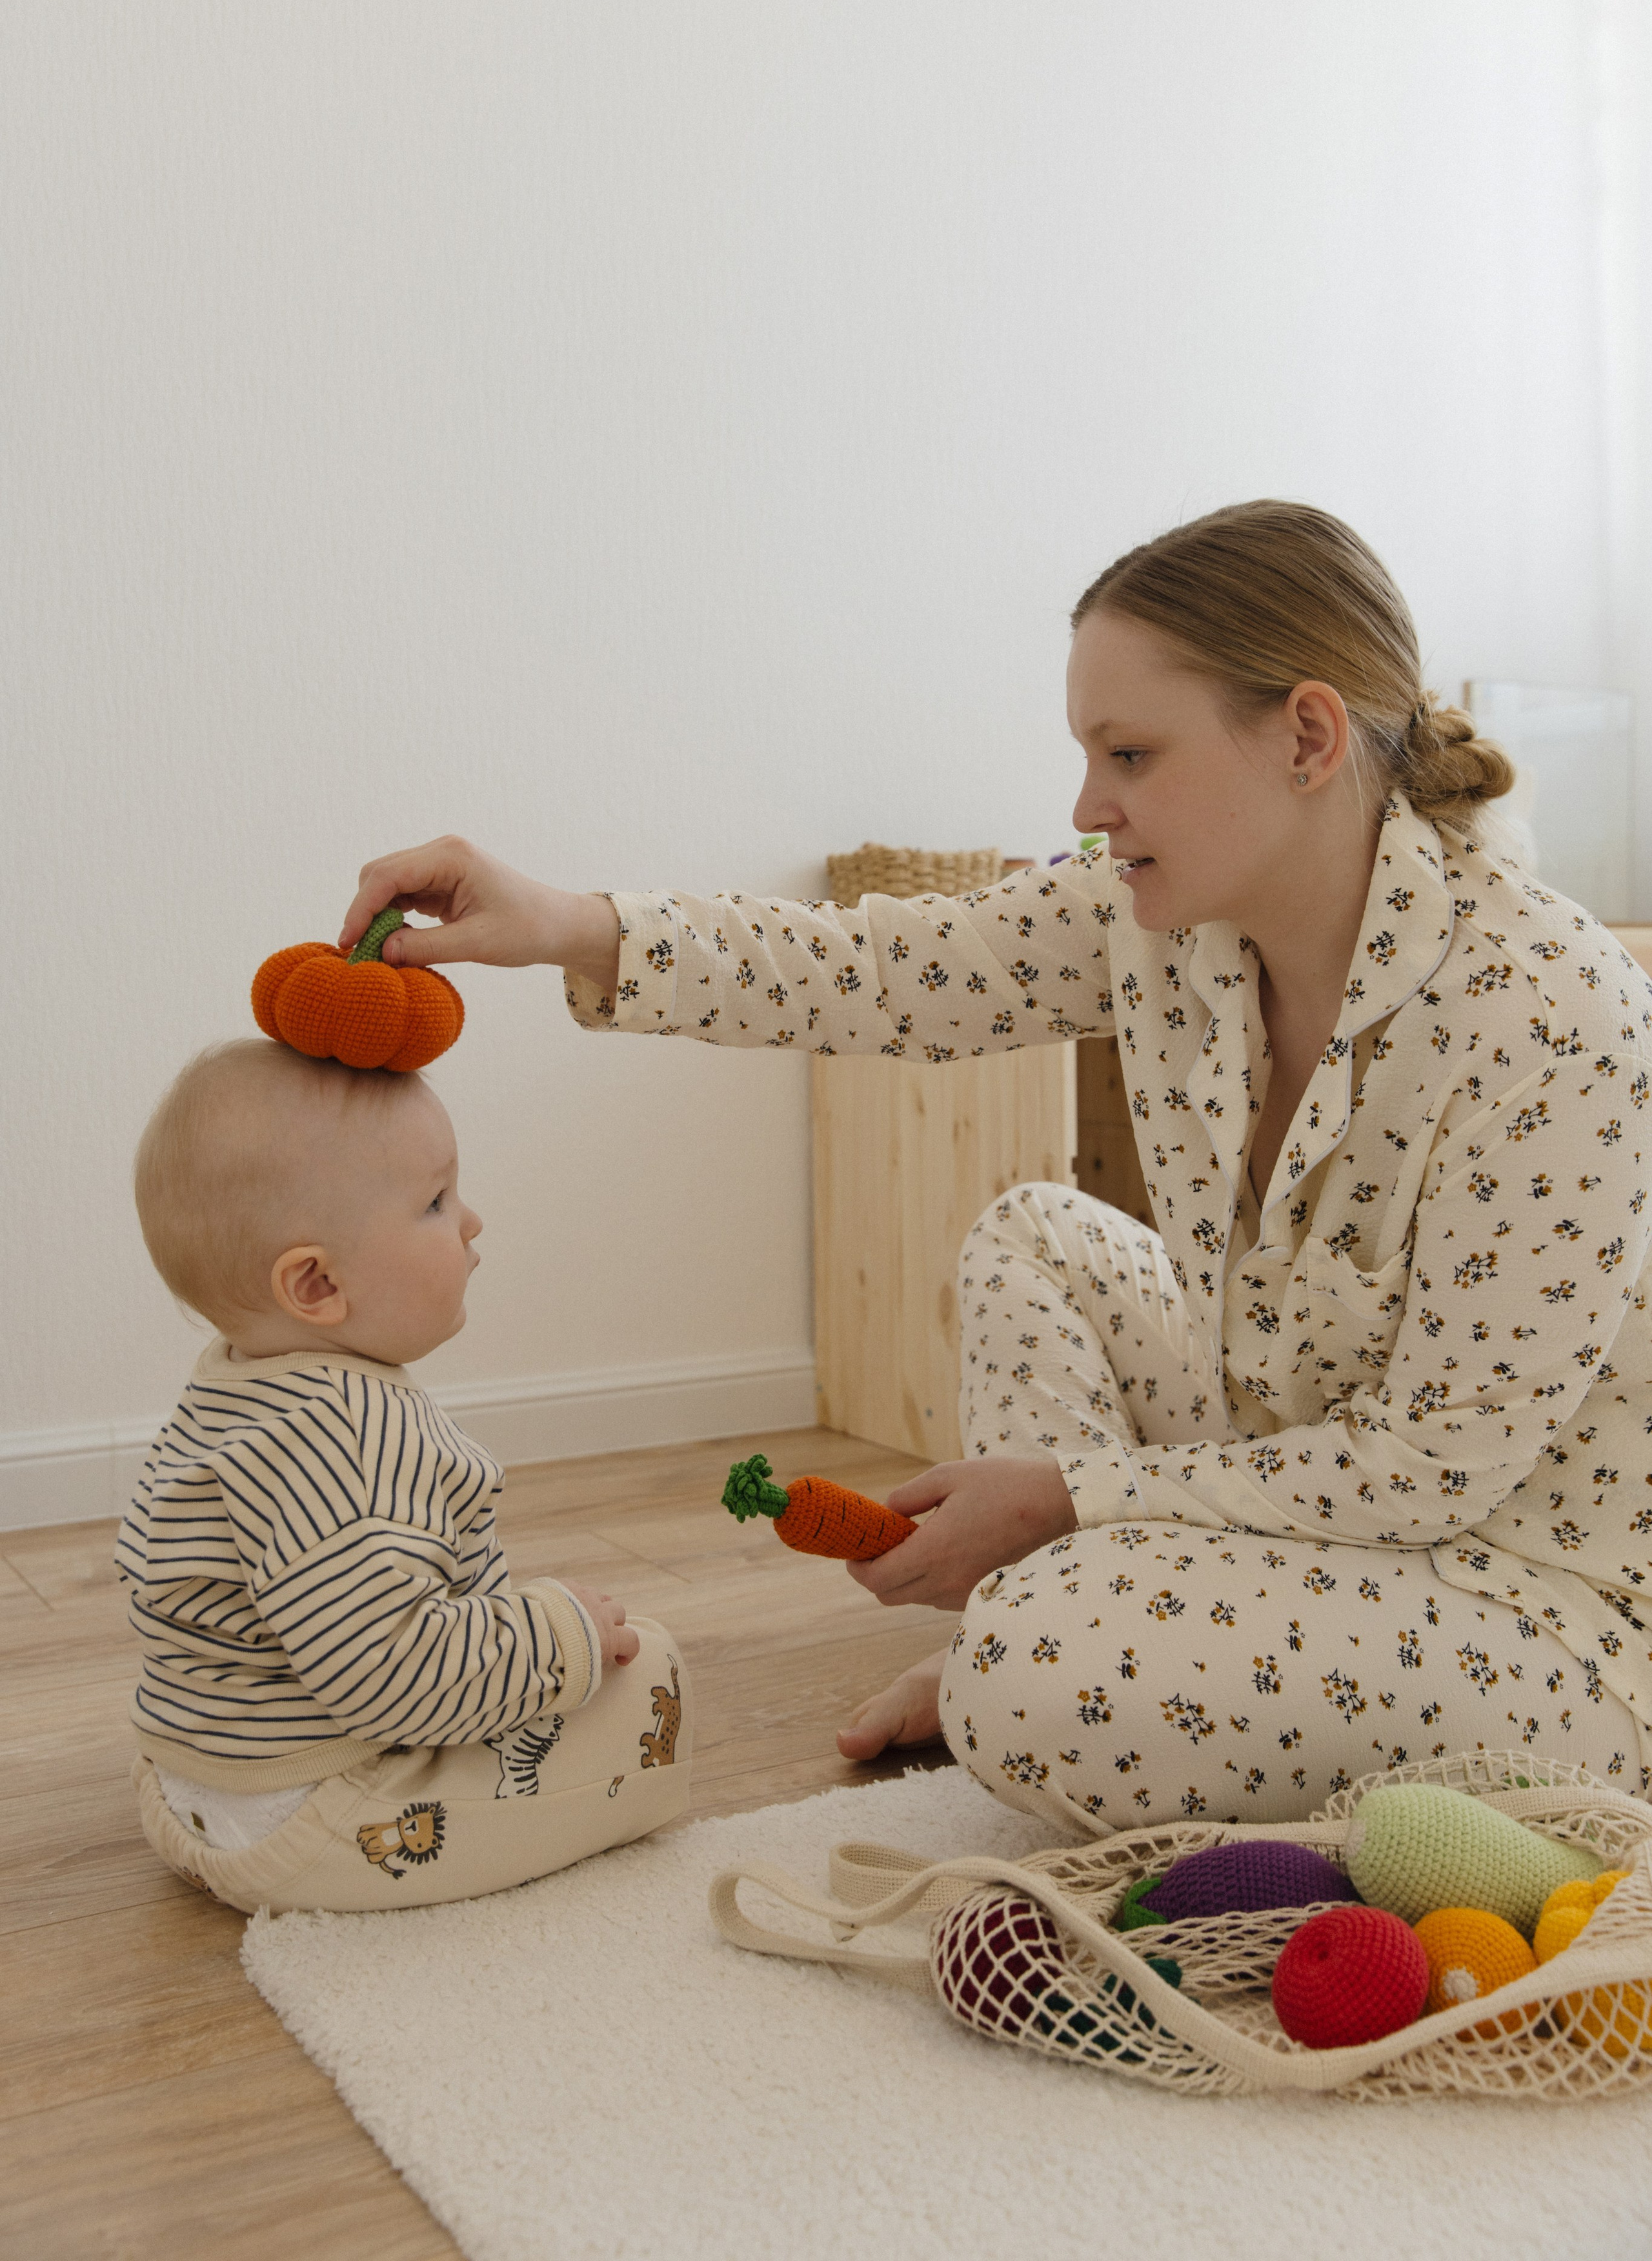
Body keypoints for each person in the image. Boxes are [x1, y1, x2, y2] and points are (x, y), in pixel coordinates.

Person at [340, 499, 1652, 1833]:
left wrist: (1061, 1500)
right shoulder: (1161, 926)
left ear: (1306, 738)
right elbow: (879, 969)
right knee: (1039, 1235)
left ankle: (1064, 1644)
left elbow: (1430, 1470)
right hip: (1281, 1480)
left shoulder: (1549, 1014)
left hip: (1524, 1597)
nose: (1089, 807)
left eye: (1129, 753)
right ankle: (1092, 1633)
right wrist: (567, 925)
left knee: (1030, 1677)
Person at [119, 1038, 689, 1911]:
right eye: (435, 1201)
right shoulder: (347, 1428)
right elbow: (391, 1680)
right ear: (316, 1285)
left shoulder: (231, 1385)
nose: (471, 1221)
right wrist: (558, 1636)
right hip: (320, 1821)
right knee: (647, 1670)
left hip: (185, 1791)